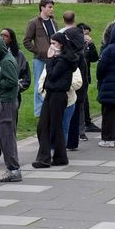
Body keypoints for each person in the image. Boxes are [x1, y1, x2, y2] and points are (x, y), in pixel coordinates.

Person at [32, 32, 73, 168]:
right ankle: (50, 157)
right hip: (51, 93)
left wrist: (49, 59)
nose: (51, 46)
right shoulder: (59, 58)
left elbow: (53, 74)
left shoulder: (63, 59)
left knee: (55, 126)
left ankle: (52, 158)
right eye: (51, 43)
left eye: (54, 43)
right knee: (43, 125)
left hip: (58, 95)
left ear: (61, 44)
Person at [0, 35, 22, 182]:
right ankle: (12, 168)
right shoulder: (6, 59)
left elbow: (12, 82)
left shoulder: (6, 62)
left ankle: (13, 169)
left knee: (6, 136)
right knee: (6, 136)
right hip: (7, 101)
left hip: (6, 103)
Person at [22, 0, 56, 118]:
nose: (51, 9)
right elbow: (26, 41)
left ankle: (49, 109)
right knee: (39, 84)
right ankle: (38, 112)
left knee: (50, 83)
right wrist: (39, 51)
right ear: (42, 8)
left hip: (53, 58)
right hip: (40, 59)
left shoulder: (53, 22)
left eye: (52, 7)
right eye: (49, 7)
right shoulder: (34, 22)